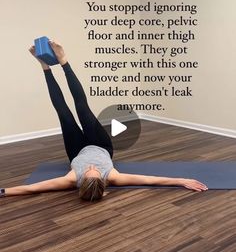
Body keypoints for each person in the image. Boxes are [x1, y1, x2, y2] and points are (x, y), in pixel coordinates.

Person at [0, 41, 208, 201]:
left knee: (63, 112)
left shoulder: (72, 179)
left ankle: (44, 65)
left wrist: (3, 191)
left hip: (76, 150)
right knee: (82, 108)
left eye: (88, 173)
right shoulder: (113, 175)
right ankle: (64, 61)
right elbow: (151, 179)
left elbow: (33, 188)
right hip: (100, 144)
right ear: (102, 180)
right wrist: (182, 181)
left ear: (81, 182)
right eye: (96, 173)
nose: (92, 169)